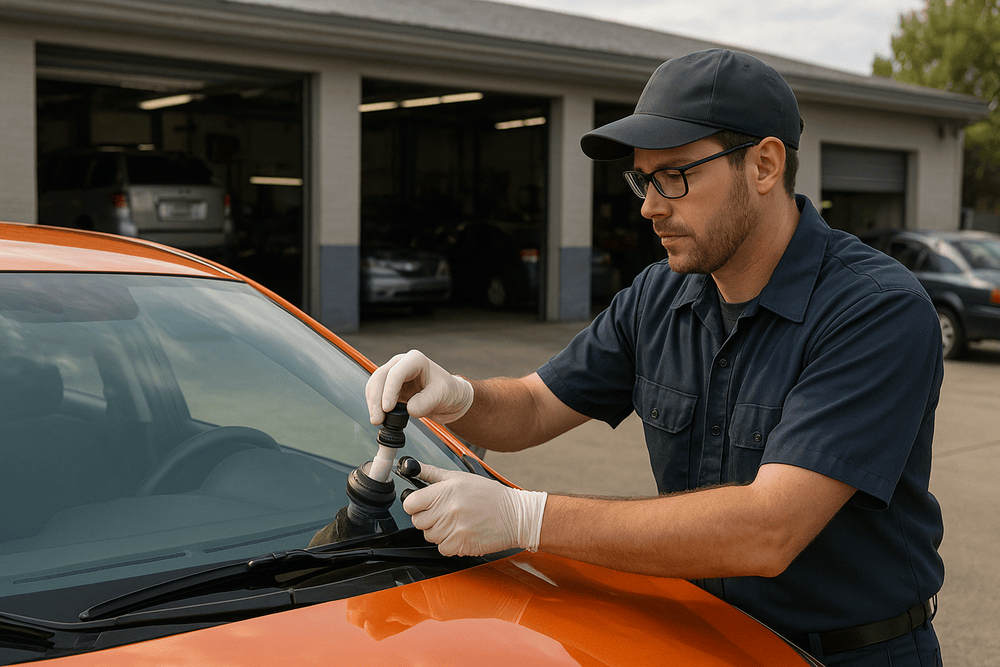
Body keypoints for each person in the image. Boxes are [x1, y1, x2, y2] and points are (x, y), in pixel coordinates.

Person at [366, 49, 944, 666]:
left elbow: (768, 529)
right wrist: (458, 395)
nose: (649, 206)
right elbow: (534, 406)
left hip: (847, 654)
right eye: (643, 179)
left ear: (765, 165)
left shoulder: (874, 310)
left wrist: (525, 517)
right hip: (701, 641)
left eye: (674, 176)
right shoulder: (658, 295)